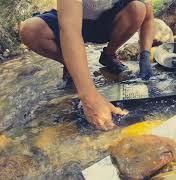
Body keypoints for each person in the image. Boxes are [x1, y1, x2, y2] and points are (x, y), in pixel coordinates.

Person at [19, 0, 155, 130]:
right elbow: (69, 31)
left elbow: (148, 17)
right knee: (30, 30)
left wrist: (145, 55)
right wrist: (89, 98)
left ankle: (108, 55)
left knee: (138, 8)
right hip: (70, 20)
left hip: (106, 23)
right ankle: (70, 65)